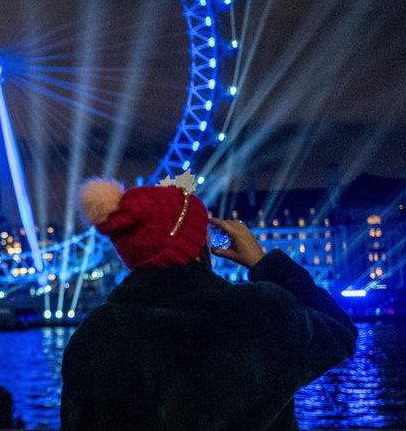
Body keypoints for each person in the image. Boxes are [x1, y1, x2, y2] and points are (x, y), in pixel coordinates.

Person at [60, 173, 358, 430]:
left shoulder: (96, 336)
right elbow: (340, 330)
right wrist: (264, 263)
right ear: (201, 244)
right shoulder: (260, 310)